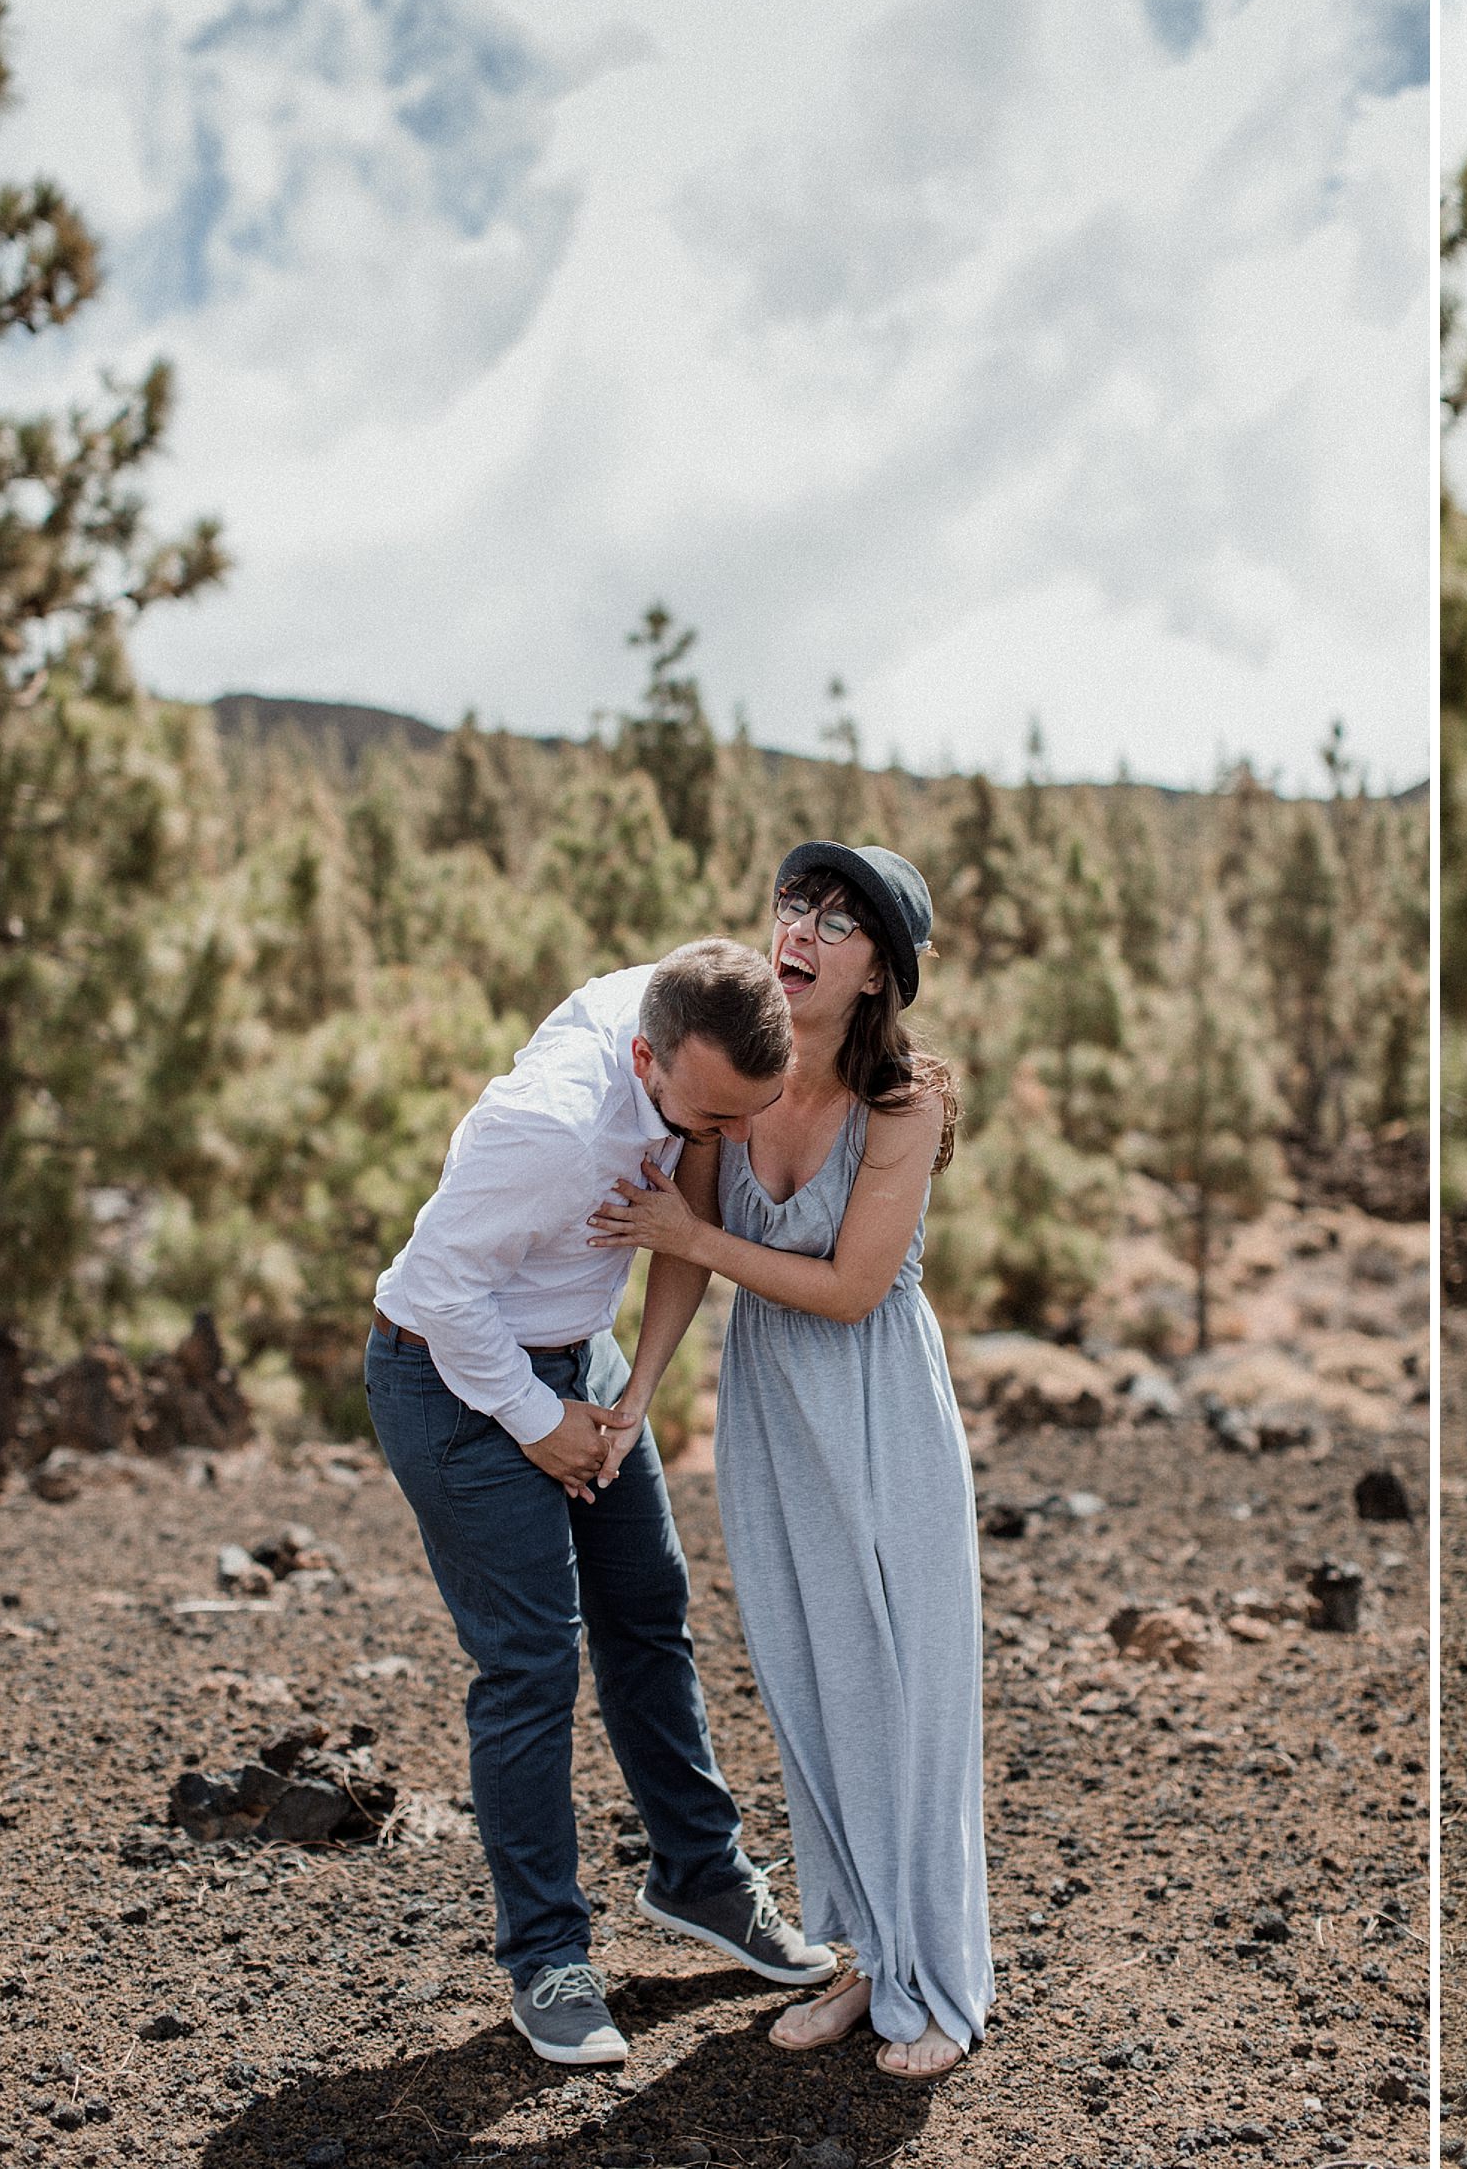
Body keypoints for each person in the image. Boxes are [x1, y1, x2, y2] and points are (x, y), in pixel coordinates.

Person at [366, 939, 837, 2069]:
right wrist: (538, 1419)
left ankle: (702, 1876)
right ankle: (548, 1957)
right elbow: (434, 1288)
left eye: (747, 1117)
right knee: (532, 1657)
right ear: (644, 1058)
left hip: (578, 1356)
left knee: (649, 1608)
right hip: (452, 1377)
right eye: (709, 1118)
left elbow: (686, 1218)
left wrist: (628, 1396)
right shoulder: (550, 1124)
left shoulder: (708, 1039)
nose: (724, 1140)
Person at [590, 841, 990, 2080]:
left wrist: (691, 1226)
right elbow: (685, 1256)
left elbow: (853, 1284)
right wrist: (641, 1392)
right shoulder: (744, 1075)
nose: (800, 927)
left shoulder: (905, 1102)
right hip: (769, 1417)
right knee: (815, 1685)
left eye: (838, 919)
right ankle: (865, 1955)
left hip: (879, 1414)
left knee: (906, 1692)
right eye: (793, 903)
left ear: (877, 973)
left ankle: (936, 1981)